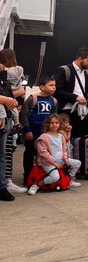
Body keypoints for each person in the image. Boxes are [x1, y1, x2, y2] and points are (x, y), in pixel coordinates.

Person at [53, 48, 88, 147]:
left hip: (83, 111)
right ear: (80, 59)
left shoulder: (87, 73)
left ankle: (80, 161)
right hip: (66, 112)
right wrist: (75, 97)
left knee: (82, 139)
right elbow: (56, 90)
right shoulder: (64, 70)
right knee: (65, 140)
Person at [17, 77, 58, 190]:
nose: (53, 87)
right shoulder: (32, 99)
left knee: (44, 156)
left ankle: (42, 177)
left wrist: (54, 132)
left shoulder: (54, 101)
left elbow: (54, 117)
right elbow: (24, 115)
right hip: (33, 132)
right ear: (42, 87)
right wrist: (27, 130)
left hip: (46, 134)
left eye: (54, 85)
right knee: (30, 154)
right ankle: (28, 178)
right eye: (50, 85)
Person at [27, 114, 82, 195]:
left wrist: (66, 159)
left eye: (56, 122)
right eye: (52, 123)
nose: (54, 125)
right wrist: (54, 163)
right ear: (47, 124)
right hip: (47, 162)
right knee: (55, 177)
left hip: (60, 160)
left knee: (77, 163)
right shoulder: (44, 137)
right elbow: (43, 154)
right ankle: (37, 185)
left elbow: (64, 150)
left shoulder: (61, 136)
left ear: (60, 124)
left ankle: (68, 180)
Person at [0, 49, 25, 193]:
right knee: (6, 151)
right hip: (8, 110)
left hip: (7, 111)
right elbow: (20, 92)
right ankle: (5, 181)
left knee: (7, 150)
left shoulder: (4, 73)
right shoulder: (19, 70)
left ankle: (6, 180)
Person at [0, 65, 18, 201]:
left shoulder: (5, 82)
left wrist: (11, 102)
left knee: (2, 155)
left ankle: (1, 187)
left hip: (4, 121)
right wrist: (5, 100)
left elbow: (11, 100)